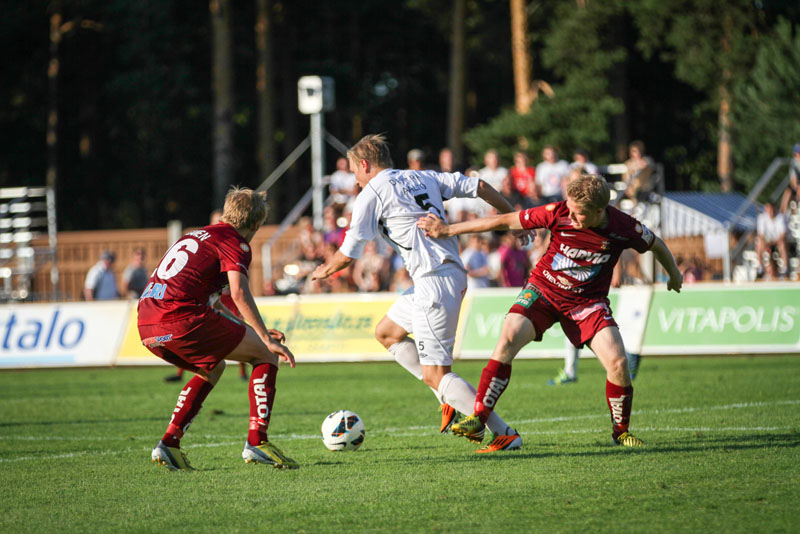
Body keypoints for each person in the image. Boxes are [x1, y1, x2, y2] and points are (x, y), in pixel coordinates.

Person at [418, 173, 683, 448]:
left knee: (618, 363)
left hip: (587, 302)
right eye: (570, 207)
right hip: (544, 291)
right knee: (508, 336)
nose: (572, 215)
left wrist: (673, 273)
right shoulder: (557, 212)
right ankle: (479, 418)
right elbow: (503, 220)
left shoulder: (623, 226)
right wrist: (448, 230)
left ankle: (621, 432)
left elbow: (656, 245)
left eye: (579, 213)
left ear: (599, 211)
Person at [312, 133, 525, 453]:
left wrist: (322, 270)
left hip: (434, 282)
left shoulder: (373, 192)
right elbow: (478, 186)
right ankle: (447, 400)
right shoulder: (423, 176)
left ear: (365, 165)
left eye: (355, 171)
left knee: (436, 373)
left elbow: (348, 253)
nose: (355, 179)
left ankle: (503, 433)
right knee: (386, 332)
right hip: (440, 277)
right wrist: (512, 218)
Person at [139, 187, 298, 470]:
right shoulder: (236, 242)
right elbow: (238, 293)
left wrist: (253, 328)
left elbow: (213, 302)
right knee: (266, 354)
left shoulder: (195, 235)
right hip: (181, 318)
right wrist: (264, 337)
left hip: (147, 323)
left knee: (213, 367)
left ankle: (170, 443)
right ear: (256, 224)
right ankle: (257, 441)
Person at [755, 201, 790, 280]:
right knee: (759, 244)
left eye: (771, 208)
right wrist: (766, 242)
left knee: (782, 244)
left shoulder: (780, 217)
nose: (770, 210)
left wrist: (774, 242)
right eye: (768, 208)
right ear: (765, 209)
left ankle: (785, 269)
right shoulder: (762, 218)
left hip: (777, 242)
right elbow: (761, 235)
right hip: (767, 242)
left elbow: (782, 235)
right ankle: (760, 269)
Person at [779, 143, 800, 215]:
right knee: (788, 192)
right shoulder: (794, 163)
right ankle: (781, 216)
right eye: (797, 153)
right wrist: (797, 187)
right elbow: (793, 181)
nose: (797, 155)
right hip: (798, 187)